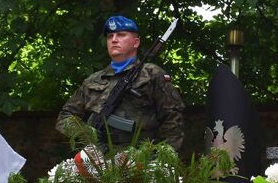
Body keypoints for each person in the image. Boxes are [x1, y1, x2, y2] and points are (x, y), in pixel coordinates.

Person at [56, 15, 185, 151]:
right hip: (99, 159)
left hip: (140, 160)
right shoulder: (93, 80)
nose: (114, 40)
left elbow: (173, 118)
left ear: (136, 42)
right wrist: (87, 136)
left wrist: (161, 157)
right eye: (110, 36)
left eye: (121, 35)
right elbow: (66, 116)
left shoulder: (151, 74)